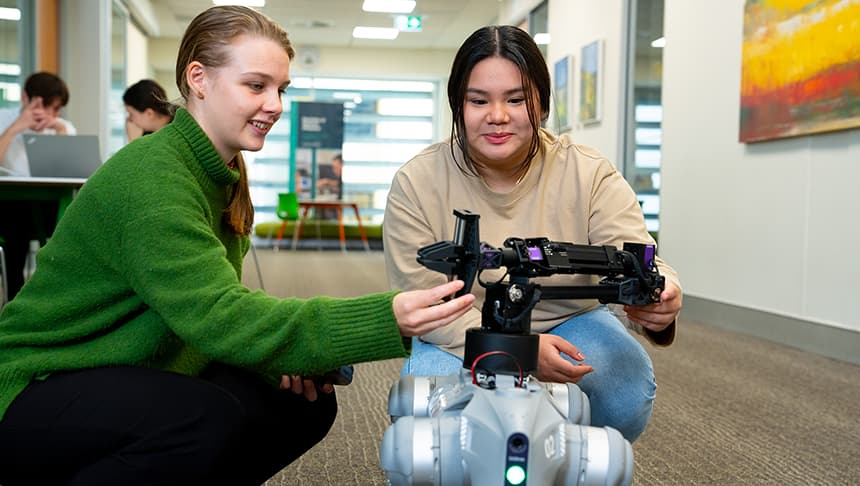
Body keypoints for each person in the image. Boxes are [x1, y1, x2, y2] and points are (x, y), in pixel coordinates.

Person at [0, 6, 474, 485]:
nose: (274, 104)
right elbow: (218, 315)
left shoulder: (222, 171)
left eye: (281, 89)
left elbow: (210, 317)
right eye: (256, 86)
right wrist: (385, 316)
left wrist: (288, 359)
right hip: (37, 385)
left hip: (134, 366)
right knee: (201, 418)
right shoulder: (153, 179)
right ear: (199, 79)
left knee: (301, 401)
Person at [383, 25, 682, 443]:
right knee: (432, 417)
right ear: (457, 105)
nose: (498, 115)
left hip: (569, 322)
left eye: (516, 99)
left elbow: (635, 248)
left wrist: (663, 293)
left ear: (540, 103)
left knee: (623, 386)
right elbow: (422, 300)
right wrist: (519, 353)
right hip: (459, 333)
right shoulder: (416, 181)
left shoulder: (587, 171)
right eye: (478, 100)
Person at [0, 71, 76, 301]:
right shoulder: (5, 118)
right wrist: (16, 128)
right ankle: (16, 299)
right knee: (16, 231)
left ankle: (54, 297)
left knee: (68, 221)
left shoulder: (62, 127)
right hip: (9, 203)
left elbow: (71, 170)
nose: (51, 115)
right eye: (47, 107)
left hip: (49, 204)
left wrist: (60, 131)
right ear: (26, 98)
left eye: (56, 109)